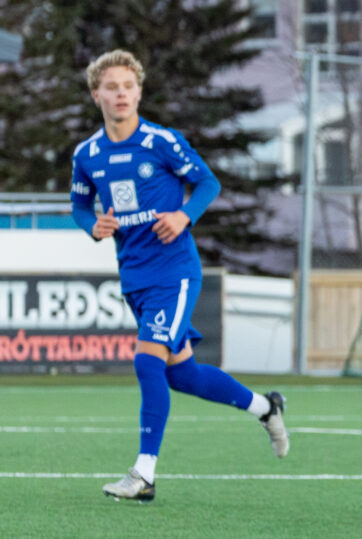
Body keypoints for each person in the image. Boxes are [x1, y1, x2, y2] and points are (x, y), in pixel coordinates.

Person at [70, 49, 290, 502]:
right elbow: (78, 203)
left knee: (147, 361)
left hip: (175, 271)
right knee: (182, 375)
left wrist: (183, 215)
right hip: (135, 275)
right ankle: (266, 408)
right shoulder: (87, 154)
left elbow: (208, 182)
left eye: (129, 86)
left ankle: (143, 475)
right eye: (112, 87)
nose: (121, 94)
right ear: (97, 95)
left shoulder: (161, 141)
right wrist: (92, 225)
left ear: (139, 93)